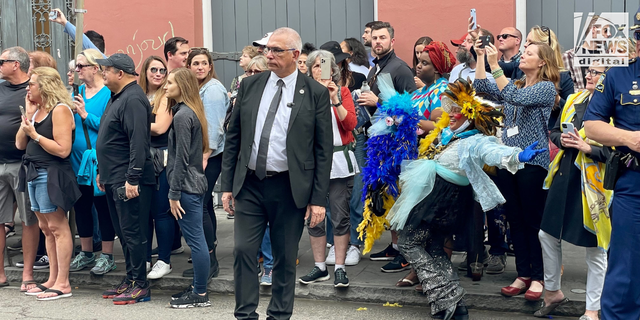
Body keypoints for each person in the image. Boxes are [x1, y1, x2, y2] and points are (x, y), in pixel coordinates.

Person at [388, 78, 545, 320]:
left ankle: (445, 296)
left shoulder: (474, 141)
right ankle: (455, 303)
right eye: (451, 110)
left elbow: (492, 151)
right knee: (433, 246)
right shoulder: (450, 135)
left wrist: (518, 155)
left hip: (442, 202)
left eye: (458, 112)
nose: (451, 115)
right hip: (437, 198)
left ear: (470, 117)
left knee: (409, 242)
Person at [221, 27, 332, 320]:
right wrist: (227, 185)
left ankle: (279, 315)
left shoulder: (316, 93)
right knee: (244, 250)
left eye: (276, 51)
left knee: (285, 257)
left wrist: (318, 200)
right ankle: (245, 314)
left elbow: (323, 150)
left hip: (289, 186)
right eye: (267, 50)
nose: (268, 55)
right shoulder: (250, 85)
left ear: (295, 55)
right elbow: (235, 137)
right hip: (251, 184)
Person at [474, 40, 559, 301]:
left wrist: (495, 66)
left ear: (542, 62)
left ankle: (539, 277)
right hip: (508, 161)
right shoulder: (516, 84)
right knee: (516, 220)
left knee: (533, 222)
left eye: (529, 54)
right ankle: (522, 274)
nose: (523, 57)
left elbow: (514, 97)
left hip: (533, 162)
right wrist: (480, 58)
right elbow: (481, 86)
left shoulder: (546, 88)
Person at [535, 64, 609, 320]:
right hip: (565, 176)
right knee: (547, 234)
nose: (589, 75)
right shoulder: (575, 99)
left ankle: (592, 310)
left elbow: (620, 151)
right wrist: (562, 140)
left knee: (596, 248)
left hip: (595, 186)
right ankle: (553, 291)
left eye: (597, 72)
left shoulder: (616, 107)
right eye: (589, 70)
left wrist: (588, 148)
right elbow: (554, 130)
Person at [582, 10, 640, 319]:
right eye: (639, 36)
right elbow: (592, 125)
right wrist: (631, 139)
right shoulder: (619, 74)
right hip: (633, 181)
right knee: (625, 267)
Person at [16, 66, 80, 300]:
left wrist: (35, 135)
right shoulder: (37, 110)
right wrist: (28, 119)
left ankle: (63, 283)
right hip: (33, 172)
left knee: (57, 228)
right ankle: (52, 279)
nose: (27, 87)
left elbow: (63, 150)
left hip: (51, 173)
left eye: (31, 83)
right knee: (45, 228)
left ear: (45, 86)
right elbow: (19, 145)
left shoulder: (60, 110)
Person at [95, 53, 155, 305]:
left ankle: (140, 284)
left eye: (106, 70)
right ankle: (130, 279)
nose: (103, 74)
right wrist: (102, 172)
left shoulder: (132, 99)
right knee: (124, 232)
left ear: (121, 73)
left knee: (134, 232)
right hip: (113, 177)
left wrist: (133, 178)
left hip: (129, 181)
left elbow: (138, 142)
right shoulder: (116, 96)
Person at [357, 21, 416, 273]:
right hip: (380, 143)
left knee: (400, 195)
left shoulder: (399, 68)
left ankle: (405, 252)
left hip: (399, 146)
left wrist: (377, 100)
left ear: (392, 41)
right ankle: (394, 245)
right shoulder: (376, 67)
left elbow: (411, 110)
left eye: (383, 38)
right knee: (387, 194)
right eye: (374, 38)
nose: (377, 42)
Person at [298, 49, 358, 287]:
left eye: (325, 66)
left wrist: (334, 99)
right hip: (312, 164)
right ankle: (320, 266)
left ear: (333, 70)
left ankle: (340, 267)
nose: (320, 70)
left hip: (338, 162)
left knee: (340, 216)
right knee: (314, 217)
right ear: (309, 69)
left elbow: (351, 123)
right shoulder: (303, 95)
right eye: (316, 66)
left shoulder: (342, 92)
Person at [163, 68, 212, 308]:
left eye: (170, 82)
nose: (165, 86)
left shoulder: (183, 115)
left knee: (195, 241)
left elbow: (181, 158)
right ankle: (198, 288)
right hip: (193, 184)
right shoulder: (189, 111)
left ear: (182, 85)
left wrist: (173, 194)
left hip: (186, 187)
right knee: (197, 239)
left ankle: (200, 294)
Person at [67, 49, 117, 275]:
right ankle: (86, 253)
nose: (76, 70)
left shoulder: (108, 94)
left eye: (80, 66)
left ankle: (107, 255)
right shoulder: (76, 91)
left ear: (94, 68)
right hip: (76, 159)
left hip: (98, 160)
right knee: (81, 207)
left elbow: (109, 127)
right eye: (76, 67)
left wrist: (85, 114)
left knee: (103, 208)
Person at [0, 46, 41, 292]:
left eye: (2, 61)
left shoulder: (32, 89)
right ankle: (1, 275)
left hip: (22, 163)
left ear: (16, 64)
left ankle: (27, 276)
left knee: (28, 219)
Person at [185, 48, 227, 280]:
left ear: (210, 66)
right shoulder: (198, 89)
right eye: (195, 63)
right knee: (204, 205)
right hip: (200, 154)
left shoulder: (212, 90)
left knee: (199, 206)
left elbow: (214, 126)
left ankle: (210, 259)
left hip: (208, 156)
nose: (200, 67)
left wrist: (204, 155)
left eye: (204, 63)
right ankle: (207, 260)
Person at [138, 56, 175, 280]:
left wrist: (131, 123)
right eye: (154, 69)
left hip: (162, 158)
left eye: (162, 70)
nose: (159, 74)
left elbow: (160, 127)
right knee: (143, 213)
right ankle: (144, 258)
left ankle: (164, 259)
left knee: (161, 211)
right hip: (140, 158)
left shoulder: (166, 96)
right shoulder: (138, 94)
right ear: (145, 71)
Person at [512, 26, 574, 127]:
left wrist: (556, 100)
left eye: (530, 42)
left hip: (549, 132)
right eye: (526, 41)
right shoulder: (520, 73)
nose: (525, 45)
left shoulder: (562, 77)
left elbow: (570, 111)